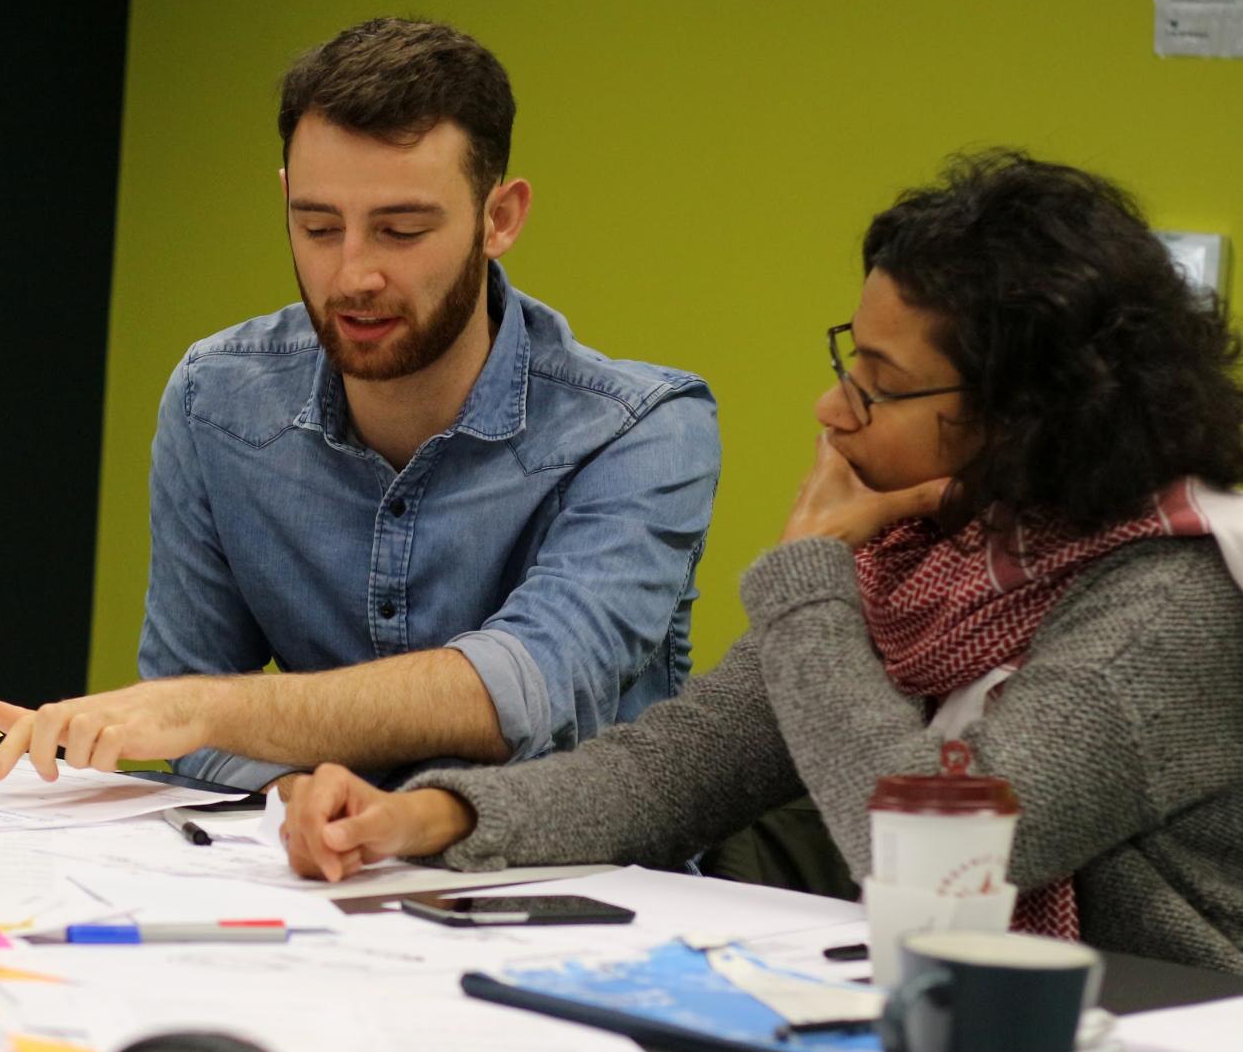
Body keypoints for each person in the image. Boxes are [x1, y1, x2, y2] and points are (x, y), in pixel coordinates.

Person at [284, 151, 1243, 977]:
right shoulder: (940, 552)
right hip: (991, 1030)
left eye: (884, 386)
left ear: (1026, 417)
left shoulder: (1166, 601)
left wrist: (806, 576)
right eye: (849, 362)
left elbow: (920, 846)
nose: (834, 410)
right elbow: (675, 768)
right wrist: (425, 815)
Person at [0, 18, 719, 790]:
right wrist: (297, 799)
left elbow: (526, 685)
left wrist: (207, 706)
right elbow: (194, 723)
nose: (351, 274)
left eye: (401, 230)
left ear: (498, 218)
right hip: (312, 882)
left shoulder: (642, 430)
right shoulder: (215, 398)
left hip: (582, 890)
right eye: (317, 226)